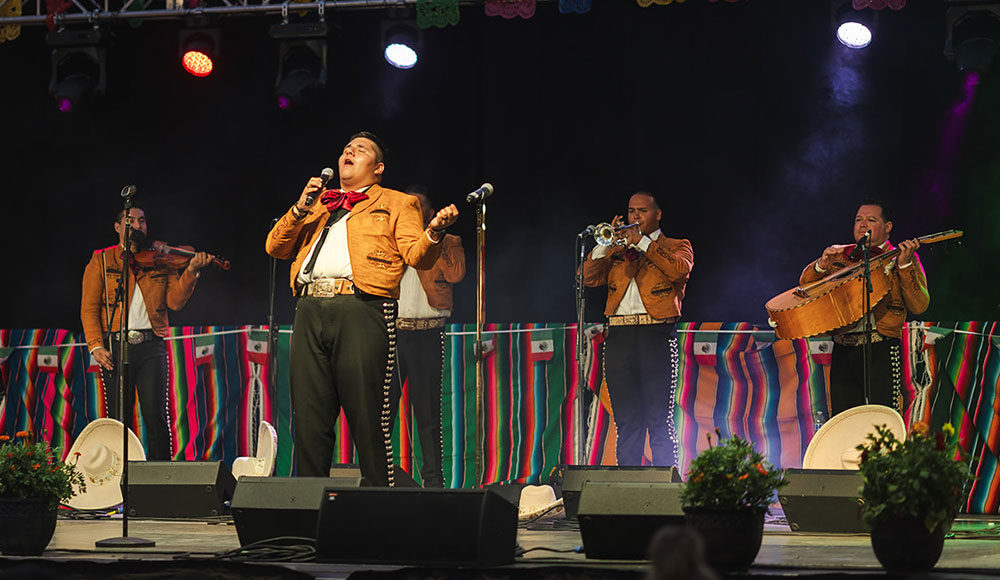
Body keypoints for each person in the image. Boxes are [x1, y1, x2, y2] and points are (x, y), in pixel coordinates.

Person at [265, 132, 459, 486]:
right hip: (308, 307)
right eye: (346, 148)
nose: (350, 151)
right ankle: (310, 506)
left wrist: (433, 233)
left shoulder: (398, 202)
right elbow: (275, 248)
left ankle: (379, 503)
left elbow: (416, 255)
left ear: (378, 167)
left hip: (361, 306)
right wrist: (300, 207)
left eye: (361, 149)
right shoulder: (318, 204)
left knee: (368, 415)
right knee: (308, 418)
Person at [80, 206, 214, 460]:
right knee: (119, 419)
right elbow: (89, 308)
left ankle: (160, 472)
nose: (137, 226)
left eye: (142, 221)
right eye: (130, 221)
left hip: (152, 344)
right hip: (116, 345)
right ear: (118, 227)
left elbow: (174, 302)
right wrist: (96, 345)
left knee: (155, 414)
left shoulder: (160, 260)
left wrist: (191, 272)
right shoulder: (102, 259)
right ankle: (120, 471)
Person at [582, 192, 694, 466]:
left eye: (642, 210)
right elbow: (586, 278)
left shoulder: (677, 245)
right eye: (632, 210)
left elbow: (679, 271)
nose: (635, 216)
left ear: (658, 214)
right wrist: (605, 244)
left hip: (655, 335)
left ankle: (666, 485)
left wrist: (642, 243)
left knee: (658, 418)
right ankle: (627, 484)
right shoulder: (618, 250)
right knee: (626, 420)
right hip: (619, 337)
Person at [799, 199, 928, 417]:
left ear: (887, 227)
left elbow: (920, 304)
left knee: (883, 419)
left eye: (871, 220)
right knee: (845, 419)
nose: (862, 224)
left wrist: (905, 266)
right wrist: (821, 264)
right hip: (844, 347)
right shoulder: (841, 255)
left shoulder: (901, 256)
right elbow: (805, 287)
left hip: (881, 346)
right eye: (858, 219)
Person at [396, 188, 465, 488]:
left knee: (427, 413)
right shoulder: (394, 239)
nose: (413, 209)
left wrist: (437, 236)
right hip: (394, 332)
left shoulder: (449, 241)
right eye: (408, 205)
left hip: (427, 331)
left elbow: (456, 274)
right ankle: (380, 477)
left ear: (429, 211)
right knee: (382, 411)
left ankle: (433, 482)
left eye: (418, 205)